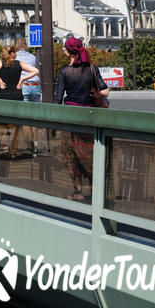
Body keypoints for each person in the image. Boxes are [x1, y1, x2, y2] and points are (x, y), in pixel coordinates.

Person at [54, 36, 109, 202]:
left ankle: (78, 191)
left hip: (71, 118)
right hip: (90, 116)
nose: (63, 50)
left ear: (70, 52)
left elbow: (58, 99)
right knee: (90, 154)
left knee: (72, 155)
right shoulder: (92, 67)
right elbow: (105, 91)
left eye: (65, 48)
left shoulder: (64, 72)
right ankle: (95, 188)